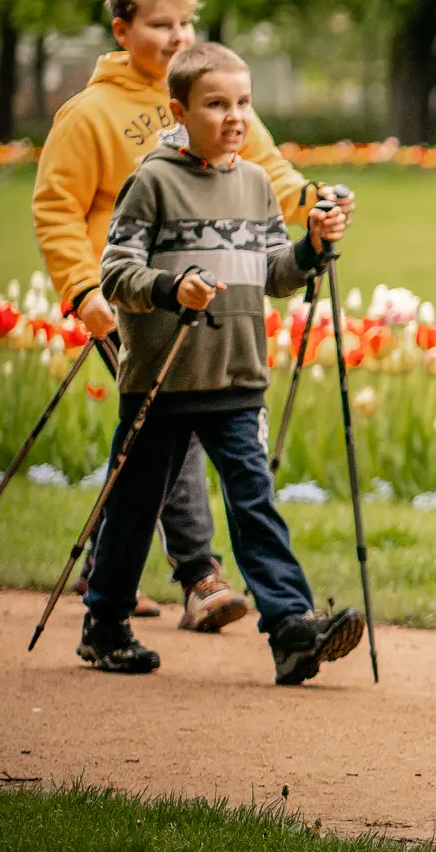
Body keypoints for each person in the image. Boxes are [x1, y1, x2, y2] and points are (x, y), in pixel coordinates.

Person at [32, 0, 345, 632]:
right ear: (122, 30)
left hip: (228, 331)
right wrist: (85, 289)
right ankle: (187, 576)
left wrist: (318, 218)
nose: (177, 36)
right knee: (156, 460)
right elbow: (58, 207)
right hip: (137, 307)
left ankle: (274, 618)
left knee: (212, 474)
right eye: (160, 24)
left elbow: (270, 181)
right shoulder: (91, 113)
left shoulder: (223, 95)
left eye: (185, 23)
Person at [80, 42, 364, 681]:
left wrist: (312, 248)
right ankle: (105, 624)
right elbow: (117, 271)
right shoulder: (152, 181)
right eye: (216, 104)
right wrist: (170, 289)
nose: (235, 116)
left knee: (253, 501)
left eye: (243, 102)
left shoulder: (256, 182)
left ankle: (291, 631)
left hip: (236, 377)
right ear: (179, 111)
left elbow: (272, 273)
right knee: (133, 505)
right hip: (162, 379)